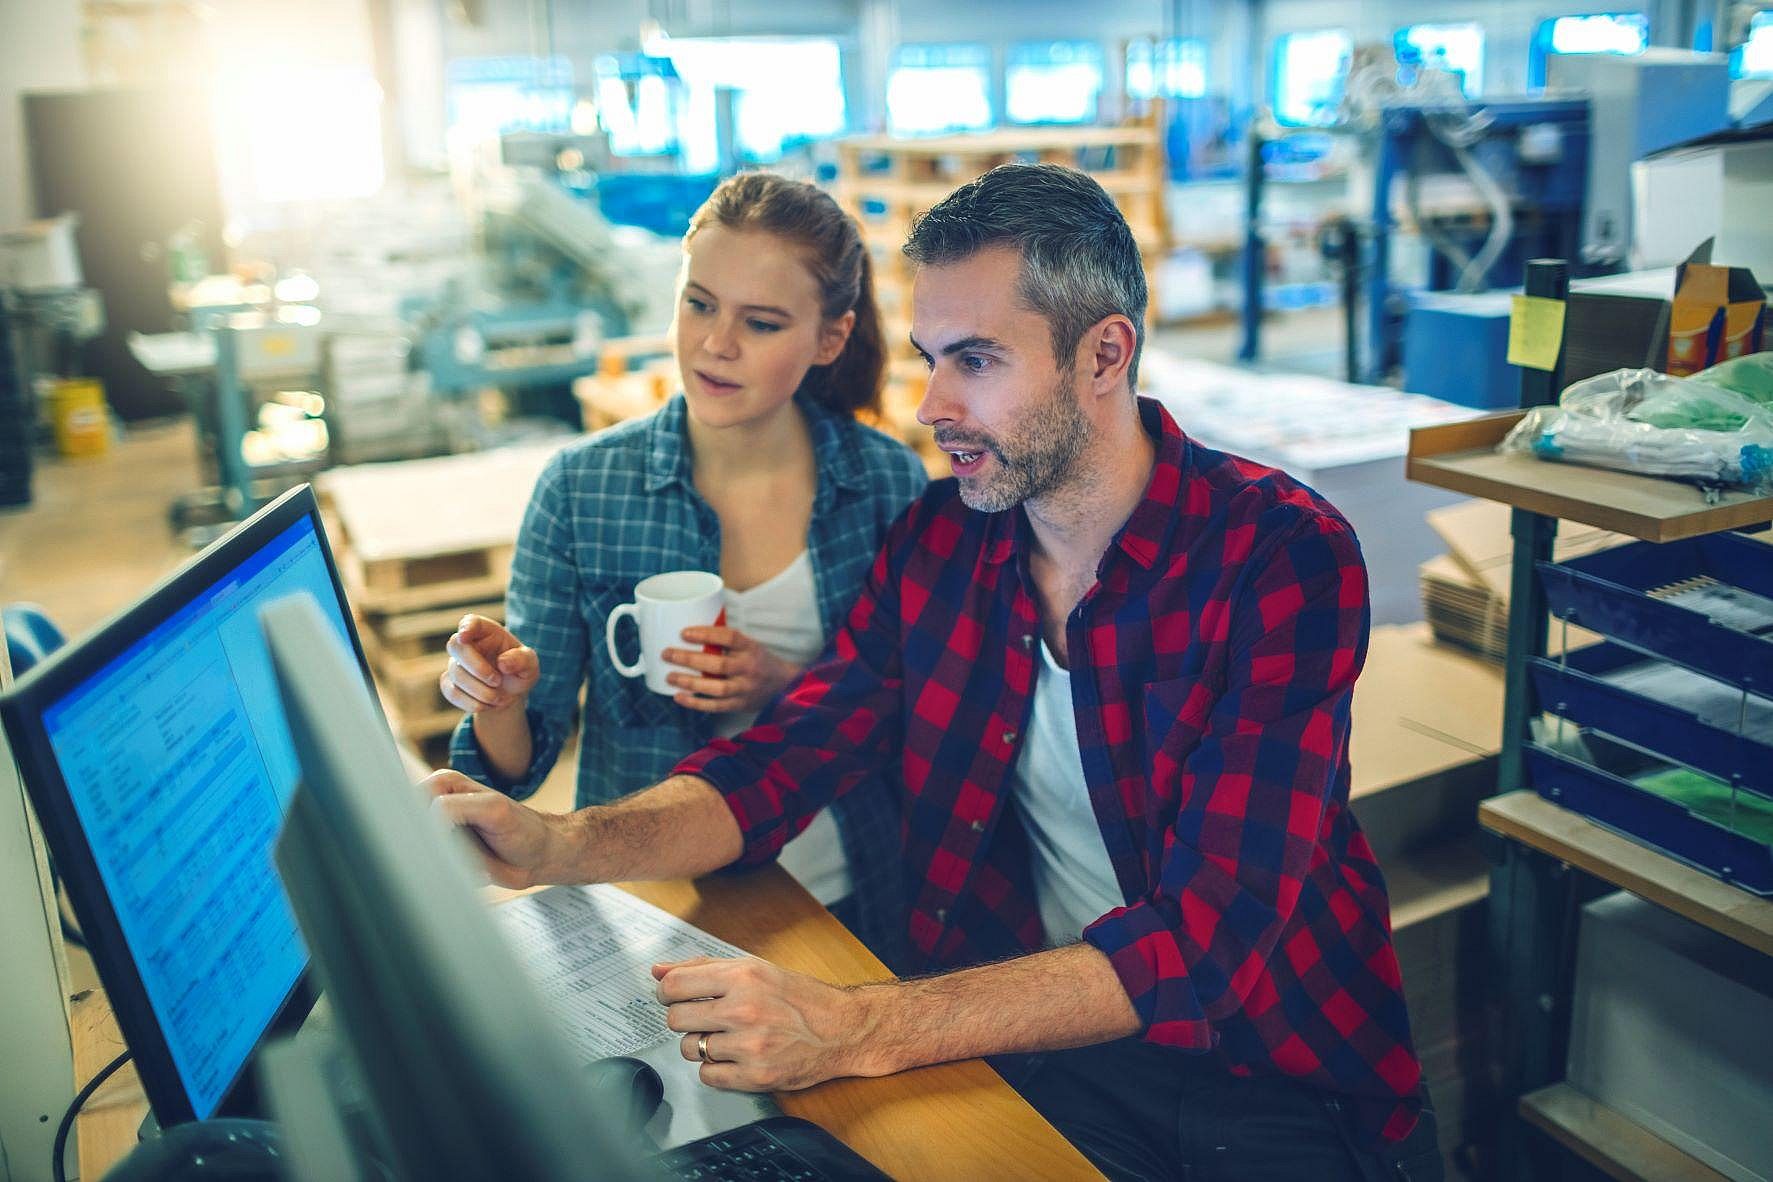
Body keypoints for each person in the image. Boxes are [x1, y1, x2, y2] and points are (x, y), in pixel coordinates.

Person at [428, 164, 1441, 1181]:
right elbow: (786, 760)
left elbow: (1206, 945)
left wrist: (858, 1026)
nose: (930, 405)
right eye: (927, 359)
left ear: (1104, 354)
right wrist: (553, 843)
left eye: (976, 361)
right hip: (1044, 1043)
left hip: (1262, 1069)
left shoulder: (1278, 555)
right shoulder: (943, 545)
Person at [439, 171, 928, 966]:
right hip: (650, 902)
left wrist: (784, 684)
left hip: (843, 893)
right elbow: (518, 768)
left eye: (761, 323)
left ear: (829, 338)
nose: (715, 344)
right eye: (698, 303)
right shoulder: (581, 488)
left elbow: (916, 713)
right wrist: (500, 697)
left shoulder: (883, 482)